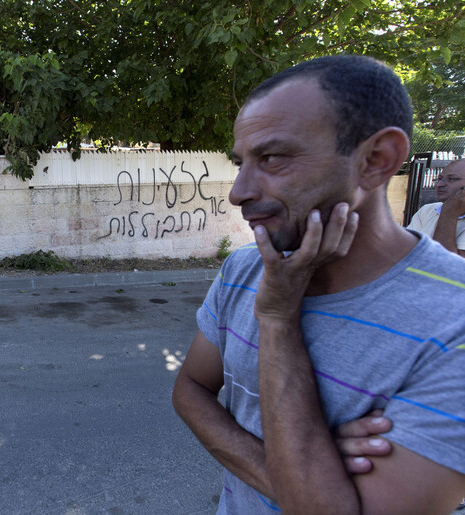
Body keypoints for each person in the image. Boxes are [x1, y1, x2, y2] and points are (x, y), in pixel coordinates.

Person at [172, 55, 465, 513]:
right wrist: (299, 472)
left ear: (375, 160)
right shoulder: (244, 269)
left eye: (271, 157)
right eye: (241, 162)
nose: (239, 191)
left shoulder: (455, 321)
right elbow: (190, 389)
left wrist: (277, 320)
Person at [406, 158, 465, 257]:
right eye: (439, 179)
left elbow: (444, 265)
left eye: (452, 179)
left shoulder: (447, 213)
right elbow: (406, 252)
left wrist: (448, 215)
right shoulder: (427, 210)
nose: (439, 184)